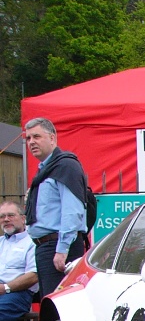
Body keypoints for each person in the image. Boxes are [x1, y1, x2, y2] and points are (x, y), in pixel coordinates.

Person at [24, 117, 88, 298]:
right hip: (46, 247)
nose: (31, 142)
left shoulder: (64, 166)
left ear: (52, 138)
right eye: (28, 138)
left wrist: (62, 250)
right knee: (49, 305)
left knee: (58, 305)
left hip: (58, 246)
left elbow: (72, 211)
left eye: (36, 136)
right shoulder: (46, 169)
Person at [0, 201, 38, 321]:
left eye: (11, 215)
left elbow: (33, 275)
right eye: (2, 216)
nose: (6, 219)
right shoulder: (0, 243)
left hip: (17, 292)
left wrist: (5, 288)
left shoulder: (33, 242)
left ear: (23, 219)